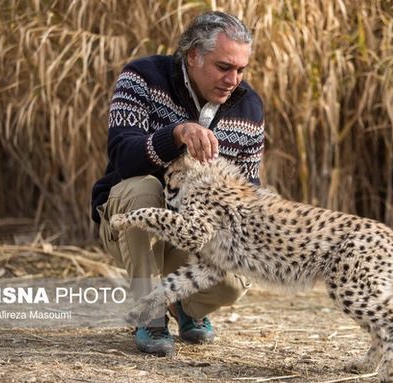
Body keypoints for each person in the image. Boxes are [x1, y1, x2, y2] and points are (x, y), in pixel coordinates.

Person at [91, 11, 264, 356]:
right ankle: (150, 315)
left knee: (233, 283)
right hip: (131, 222)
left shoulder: (249, 106)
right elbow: (123, 158)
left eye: (240, 69)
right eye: (223, 67)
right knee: (143, 188)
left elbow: (249, 188)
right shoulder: (141, 77)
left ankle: (185, 307)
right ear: (193, 56)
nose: (233, 79)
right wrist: (177, 134)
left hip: (194, 232)